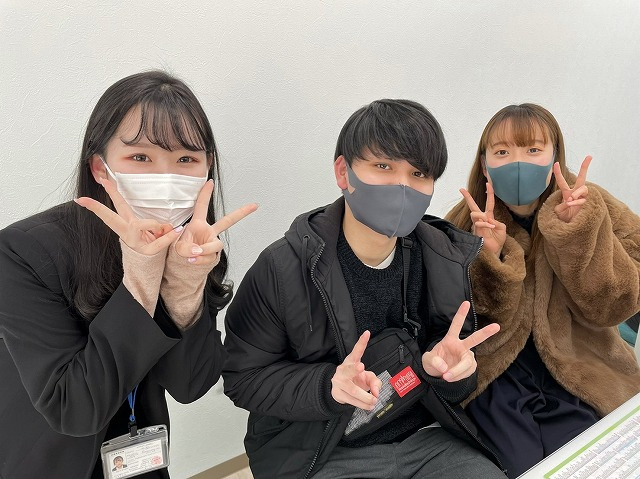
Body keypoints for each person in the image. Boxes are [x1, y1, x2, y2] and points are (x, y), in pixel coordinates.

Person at [223, 99, 507, 479]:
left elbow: (452, 373)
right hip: (326, 450)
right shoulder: (282, 268)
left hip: (428, 438)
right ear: (344, 172)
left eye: (419, 173)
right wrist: (328, 387)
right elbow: (243, 379)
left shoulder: (442, 256)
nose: (402, 186)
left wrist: (449, 372)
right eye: (383, 166)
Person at [0, 71, 256, 479]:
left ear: (207, 170)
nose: (166, 177)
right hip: (47, 460)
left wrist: (184, 285)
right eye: (140, 157)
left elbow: (190, 385)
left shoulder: (190, 244)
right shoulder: (25, 251)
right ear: (100, 168)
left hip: (140, 460)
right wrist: (139, 279)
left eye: (186, 160)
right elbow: (74, 409)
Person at [445, 103, 640, 478]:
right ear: (484, 164)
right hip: (498, 374)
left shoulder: (591, 204)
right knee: (522, 465)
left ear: (555, 158)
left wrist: (579, 235)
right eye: (502, 152)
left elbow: (613, 307)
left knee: (591, 461)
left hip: (581, 361)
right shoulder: (463, 222)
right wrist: (490, 257)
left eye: (533, 149)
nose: (518, 163)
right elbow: (464, 322)